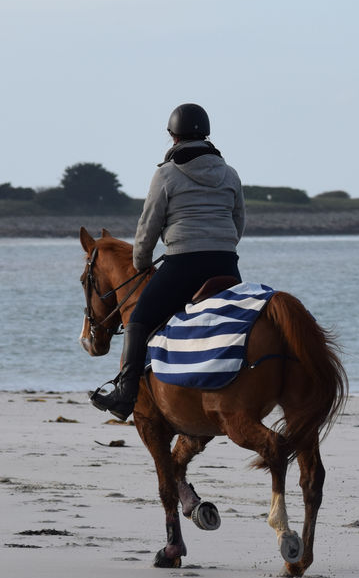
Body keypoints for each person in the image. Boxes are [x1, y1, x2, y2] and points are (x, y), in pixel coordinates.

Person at [90, 103, 246, 416]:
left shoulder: (166, 174)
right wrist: (221, 247)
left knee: (138, 319)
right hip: (226, 263)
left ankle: (125, 394)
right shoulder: (230, 173)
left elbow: (148, 226)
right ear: (206, 134)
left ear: (173, 136)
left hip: (183, 265)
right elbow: (238, 220)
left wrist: (142, 262)